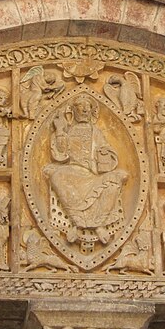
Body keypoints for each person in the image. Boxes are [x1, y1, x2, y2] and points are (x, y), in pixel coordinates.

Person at [42, 95, 128, 245]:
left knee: (119, 178)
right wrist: (60, 130)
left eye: (87, 106)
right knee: (56, 175)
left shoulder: (95, 131)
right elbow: (60, 154)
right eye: (80, 106)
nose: (84, 109)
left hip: (93, 173)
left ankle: (99, 224)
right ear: (73, 110)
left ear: (91, 111)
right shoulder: (69, 130)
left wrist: (104, 154)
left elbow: (106, 149)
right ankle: (77, 221)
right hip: (73, 170)